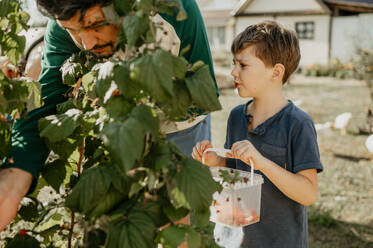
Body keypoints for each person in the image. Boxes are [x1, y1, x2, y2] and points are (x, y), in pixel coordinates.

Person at [0, 0, 217, 232]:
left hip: (178, 126)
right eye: (72, 30)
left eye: (95, 25)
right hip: (116, 131)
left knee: (179, 225)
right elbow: (46, 102)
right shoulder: (65, 19)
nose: (86, 43)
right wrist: (13, 180)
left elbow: (201, 98)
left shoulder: (173, 10)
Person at [193, 21, 323, 247]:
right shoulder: (236, 117)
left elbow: (308, 193)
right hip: (235, 239)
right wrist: (217, 162)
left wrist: (263, 164)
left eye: (243, 65)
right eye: (234, 63)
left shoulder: (298, 123)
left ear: (276, 72)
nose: (233, 72)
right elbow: (238, 171)